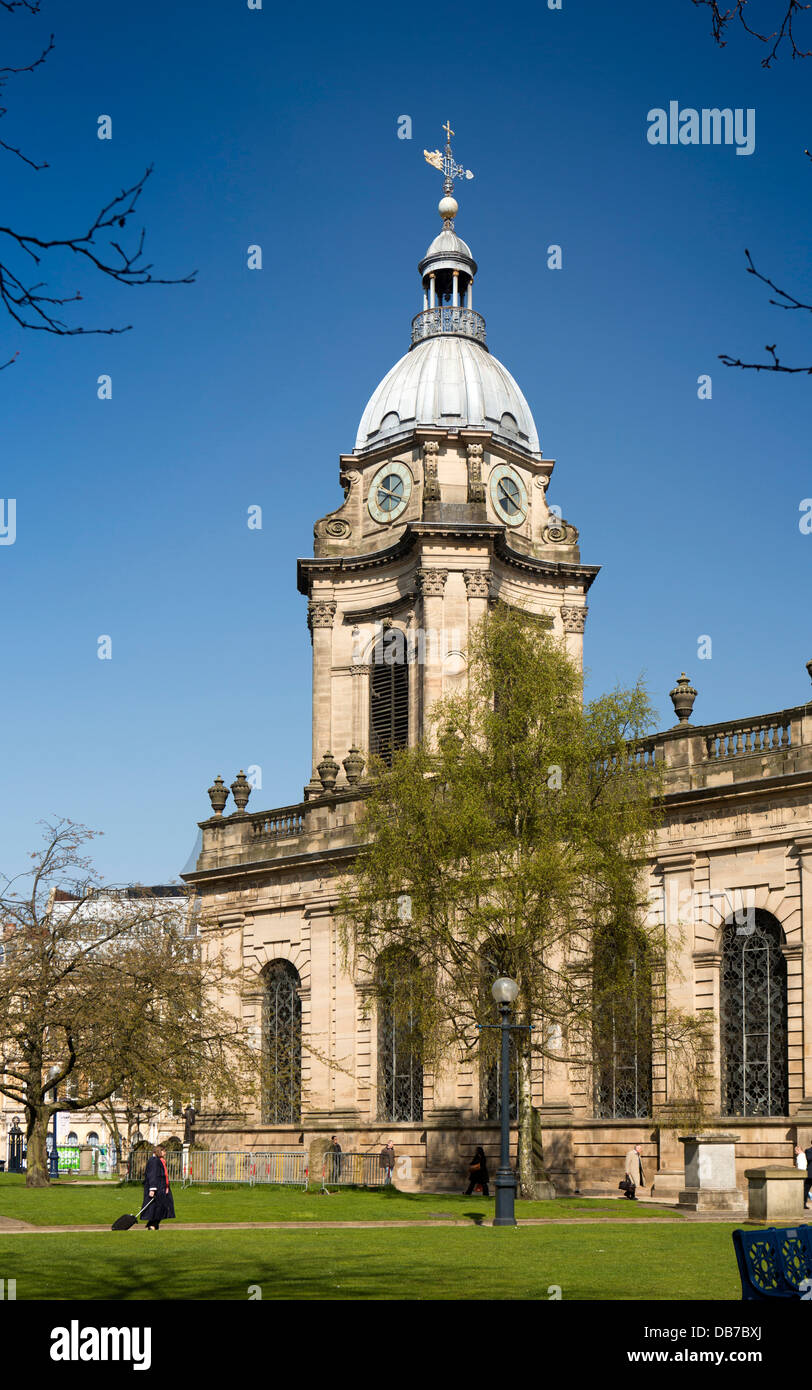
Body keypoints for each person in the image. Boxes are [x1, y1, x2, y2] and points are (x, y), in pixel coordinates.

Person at [142, 1144, 176, 1230]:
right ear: (160, 1151)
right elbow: (152, 1175)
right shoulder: (154, 1161)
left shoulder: (159, 1160)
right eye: (164, 1151)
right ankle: (152, 1225)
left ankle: (153, 1225)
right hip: (157, 1188)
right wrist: (152, 1188)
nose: (165, 1153)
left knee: (162, 1207)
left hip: (163, 1187)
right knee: (158, 1207)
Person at [805, 1142, 812, 1211]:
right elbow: (809, 1158)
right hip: (810, 1174)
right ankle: (804, 1204)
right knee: (806, 1190)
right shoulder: (808, 1150)